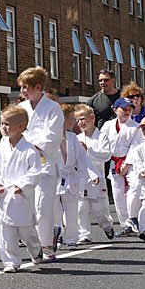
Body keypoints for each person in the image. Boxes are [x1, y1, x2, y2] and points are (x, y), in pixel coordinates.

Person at [0, 105, 43, 273]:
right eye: (2, 123)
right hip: (4, 195)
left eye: (7, 124)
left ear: (21, 126)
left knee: (26, 231)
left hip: (21, 196)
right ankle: (11, 261)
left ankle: (35, 249)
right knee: (5, 231)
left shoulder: (29, 150)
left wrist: (23, 185)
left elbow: (35, 172)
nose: (3, 127)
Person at [17, 67, 64, 262]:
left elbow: (52, 136)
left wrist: (32, 146)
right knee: (28, 208)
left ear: (38, 87)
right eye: (21, 88)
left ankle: (47, 246)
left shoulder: (53, 109)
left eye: (26, 87)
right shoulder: (22, 109)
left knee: (43, 207)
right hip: (25, 165)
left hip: (45, 165)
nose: (23, 92)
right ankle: (35, 245)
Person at [54, 104, 100, 249]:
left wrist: (93, 174)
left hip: (70, 177)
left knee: (72, 209)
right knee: (55, 211)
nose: (74, 123)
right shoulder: (50, 137)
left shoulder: (72, 138)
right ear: (62, 119)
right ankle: (57, 237)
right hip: (54, 177)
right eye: (71, 119)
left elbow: (82, 158)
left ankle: (71, 238)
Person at [75, 104, 116, 243]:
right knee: (81, 208)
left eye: (83, 118)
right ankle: (84, 234)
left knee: (100, 209)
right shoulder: (77, 138)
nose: (81, 122)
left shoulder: (102, 137)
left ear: (92, 118)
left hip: (98, 179)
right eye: (78, 120)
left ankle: (107, 226)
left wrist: (89, 150)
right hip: (81, 179)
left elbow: (106, 156)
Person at [103, 98, 141, 236]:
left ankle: (133, 218)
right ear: (115, 110)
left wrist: (126, 164)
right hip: (114, 163)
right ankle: (125, 225)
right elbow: (102, 143)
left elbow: (136, 146)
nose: (127, 111)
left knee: (134, 188)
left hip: (131, 163)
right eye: (124, 109)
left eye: (130, 108)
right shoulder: (107, 126)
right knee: (118, 193)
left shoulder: (136, 126)